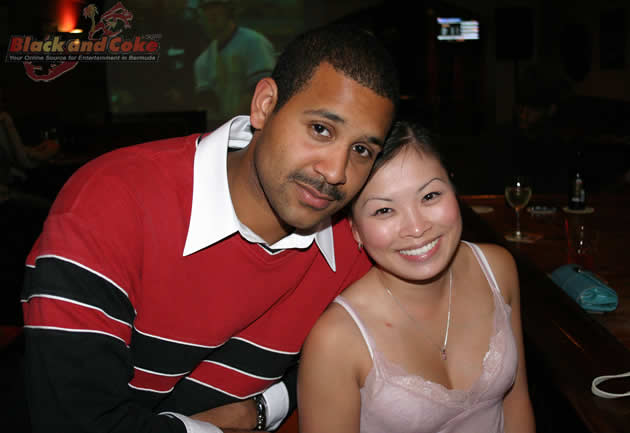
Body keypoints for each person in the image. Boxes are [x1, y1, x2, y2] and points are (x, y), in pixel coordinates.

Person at [21, 24, 399, 433]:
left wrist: (260, 410)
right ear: (265, 105)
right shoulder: (112, 203)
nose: (336, 172)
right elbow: (74, 421)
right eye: (320, 129)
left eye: (361, 150)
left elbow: (370, 358)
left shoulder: (357, 244)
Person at [298, 120, 536, 433]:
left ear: (454, 189)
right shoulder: (336, 339)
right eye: (384, 210)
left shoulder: (497, 268)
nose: (416, 227)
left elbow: (516, 402)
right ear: (355, 229)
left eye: (430, 196)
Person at [194, 0, 276, 126]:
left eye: (216, 6)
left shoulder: (254, 42)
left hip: (260, 125)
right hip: (225, 128)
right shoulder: (203, 60)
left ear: (229, 9)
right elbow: (207, 103)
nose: (211, 13)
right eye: (206, 8)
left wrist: (234, 125)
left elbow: (261, 89)